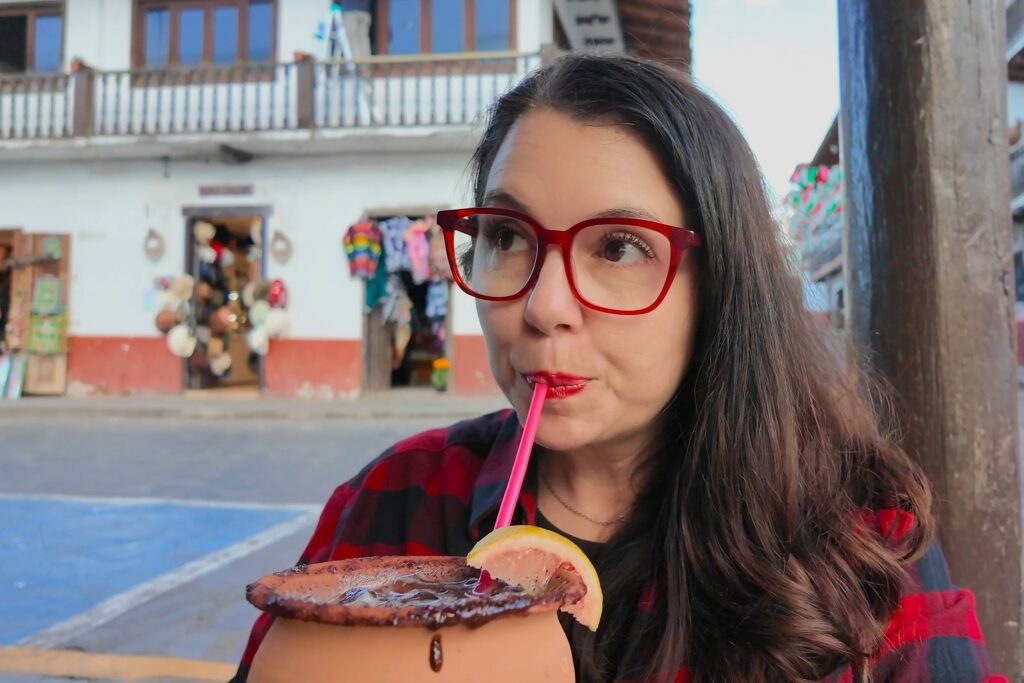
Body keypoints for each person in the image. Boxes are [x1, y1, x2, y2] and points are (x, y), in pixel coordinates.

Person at [230, 54, 1003, 683]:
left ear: (719, 282)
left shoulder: (855, 534)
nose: (543, 305)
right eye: (506, 234)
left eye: (619, 246)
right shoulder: (393, 507)